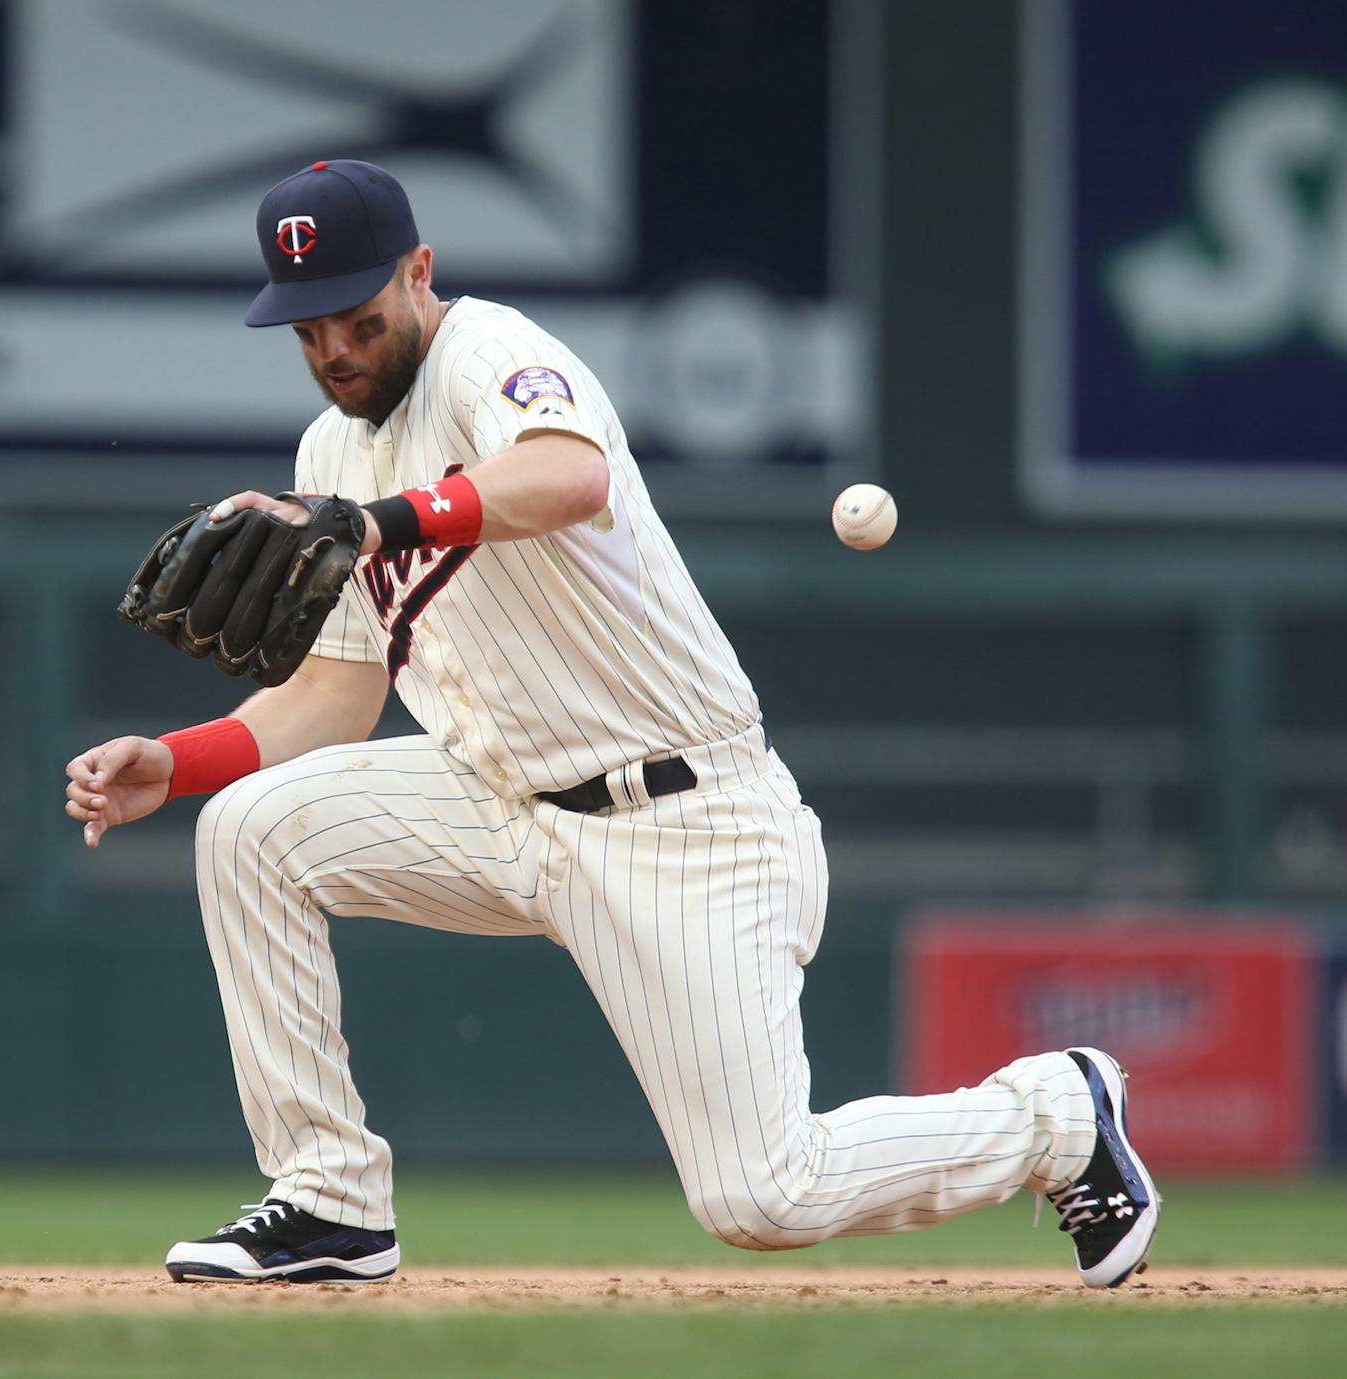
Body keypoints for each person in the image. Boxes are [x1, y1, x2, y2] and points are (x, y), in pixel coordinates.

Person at [63, 160, 1159, 1287]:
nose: (336, 345)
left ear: (419, 272)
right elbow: (335, 696)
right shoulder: (327, 457)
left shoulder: (487, 353)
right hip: (498, 804)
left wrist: (377, 520)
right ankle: (330, 1200)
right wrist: (178, 761)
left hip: (685, 818)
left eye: (360, 312)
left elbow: (569, 477)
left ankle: (1054, 1115)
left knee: (762, 1194)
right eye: (309, 326)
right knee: (246, 830)